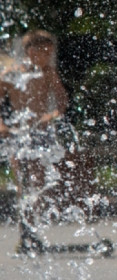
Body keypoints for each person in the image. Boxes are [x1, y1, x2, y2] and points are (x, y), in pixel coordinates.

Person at [0, 30, 70, 245]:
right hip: (17, 132)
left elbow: (62, 103)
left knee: (37, 182)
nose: (47, 57)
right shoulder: (11, 73)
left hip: (40, 131)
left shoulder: (49, 73)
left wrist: (50, 116)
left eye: (50, 53)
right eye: (43, 52)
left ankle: (32, 227)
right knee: (21, 181)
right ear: (30, 51)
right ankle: (25, 231)